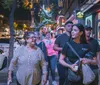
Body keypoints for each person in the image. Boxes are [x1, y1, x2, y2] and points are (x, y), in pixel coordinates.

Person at [53, 21, 73, 85]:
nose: (70, 27)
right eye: (68, 26)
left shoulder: (74, 37)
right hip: (62, 60)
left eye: (71, 26)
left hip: (72, 60)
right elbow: (54, 47)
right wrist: (63, 49)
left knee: (71, 78)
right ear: (65, 27)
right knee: (62, 77)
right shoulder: (60, 37)